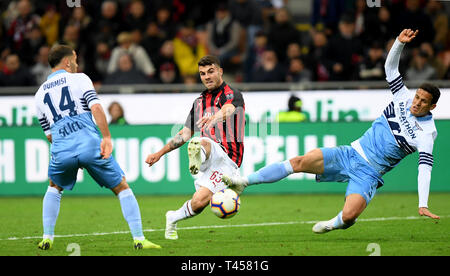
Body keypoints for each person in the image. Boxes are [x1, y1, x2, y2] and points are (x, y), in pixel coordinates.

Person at [222, 29, 441, 234]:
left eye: (423, 101)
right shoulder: (403, 97)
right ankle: (244, 182)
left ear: (432, 107)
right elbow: (390, 70)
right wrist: (398, 44)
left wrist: (423, 203)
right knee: (298, 162)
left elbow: (425, 170)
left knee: (348, 217)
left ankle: (334, 224)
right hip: (350, 153)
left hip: (369, 173)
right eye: (417, 97)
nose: (417, 102)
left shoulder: (427, 134)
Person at [34, 45, 160, 250]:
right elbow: (96, 107)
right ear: (67, 62)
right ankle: (139, 239)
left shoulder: (39, 95)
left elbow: (49, 135)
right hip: (90, 144)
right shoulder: (80, 78)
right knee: (121, 187)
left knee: (54, 187)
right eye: (74, 59)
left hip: (61, 148)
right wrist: (107, 137)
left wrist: (69, 150)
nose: (76, 63)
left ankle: (47, 237)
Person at [145, 55, 245, 240]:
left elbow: (229, 109)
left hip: (229, 160)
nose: (206, 76)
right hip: (211, 150)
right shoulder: (199, 102)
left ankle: (172, 217)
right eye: (202, 74)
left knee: (199, 203)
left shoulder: (232, 94)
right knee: (202, 141)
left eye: (210, 71)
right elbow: (184, 134)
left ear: (220, 71)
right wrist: (159, 153)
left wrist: (213, 118)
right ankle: (198, 154)